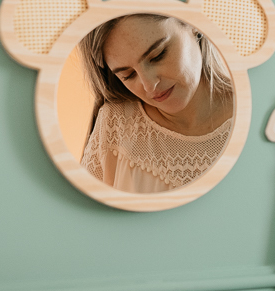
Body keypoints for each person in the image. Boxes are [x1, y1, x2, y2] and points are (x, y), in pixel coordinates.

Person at [78, 14, 234, 193]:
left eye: (157, 55)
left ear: (193, 24)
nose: (149, 85)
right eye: (128, 75)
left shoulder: (256, 116)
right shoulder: (114, 123)